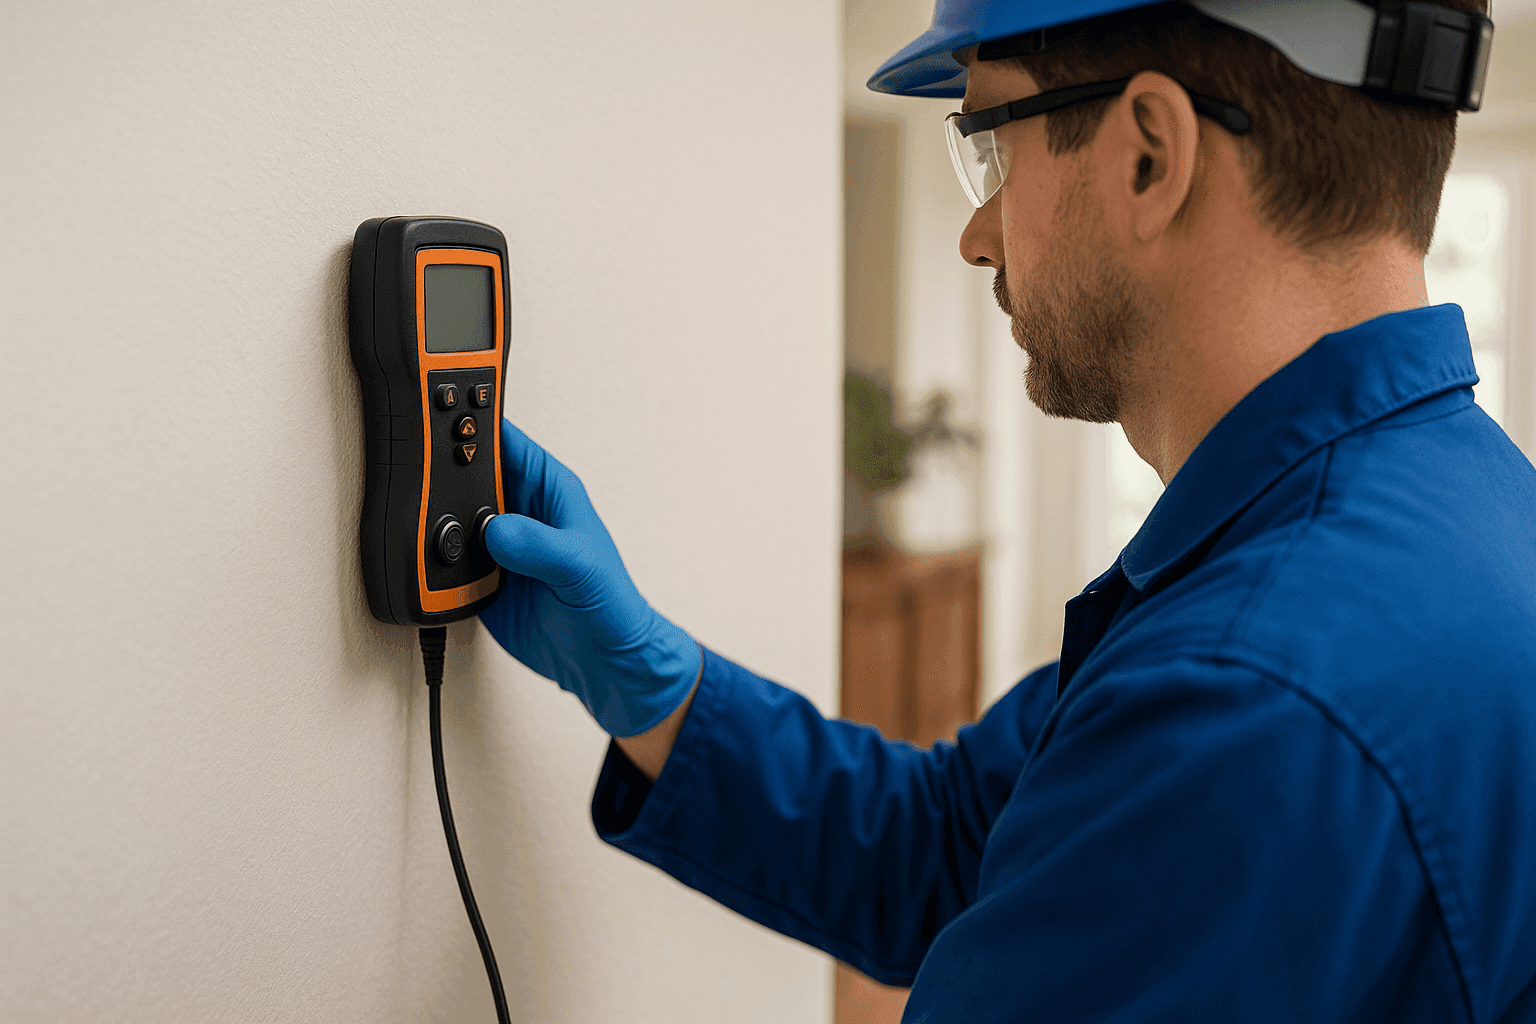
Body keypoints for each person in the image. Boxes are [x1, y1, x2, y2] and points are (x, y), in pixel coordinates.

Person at [478, 1, 1536, 1019]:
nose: (977, 236)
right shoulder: (1464, 514)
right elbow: (950, 838)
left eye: (991, 144)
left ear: (1148, 156)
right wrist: (651, 685)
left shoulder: (1243, 697)